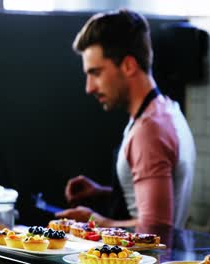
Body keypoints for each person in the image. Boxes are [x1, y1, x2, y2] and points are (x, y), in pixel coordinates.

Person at [55, 9, 196, 229]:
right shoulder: (166, 110)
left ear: (129, 65)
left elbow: (155, 231)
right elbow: (154, 198)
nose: (89, 87)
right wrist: (102, 193)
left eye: (96, 73)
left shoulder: (149, 130)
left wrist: (92, 222)